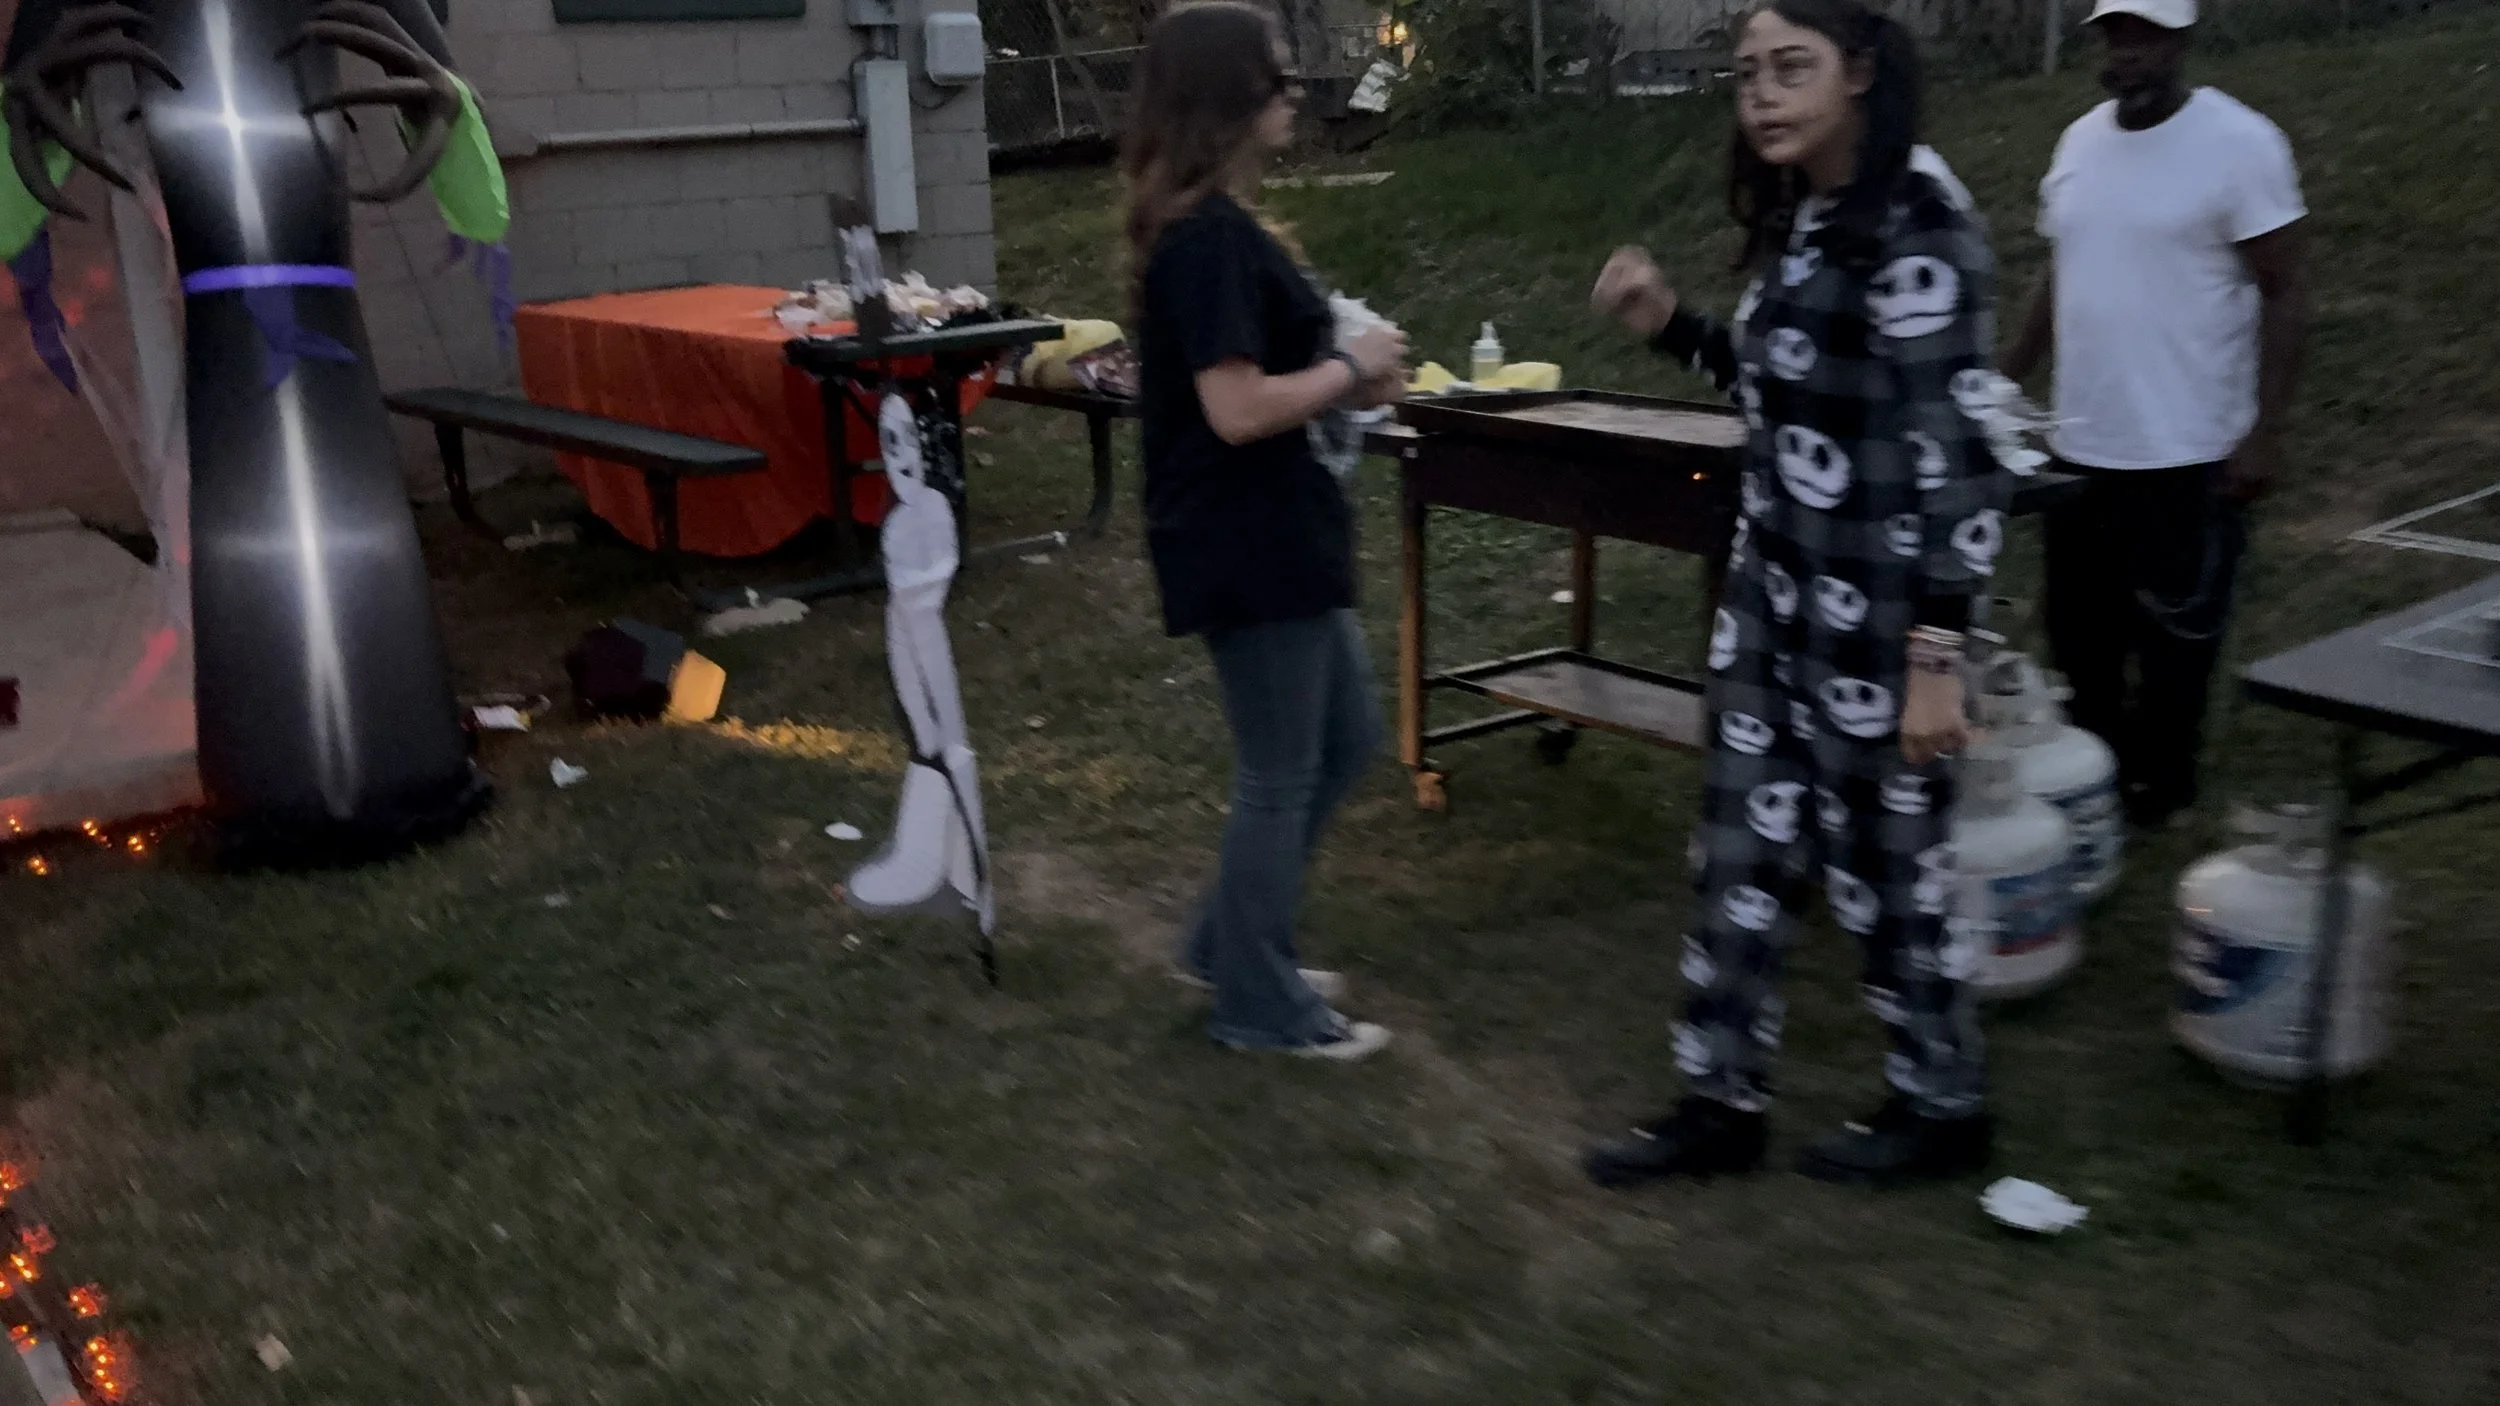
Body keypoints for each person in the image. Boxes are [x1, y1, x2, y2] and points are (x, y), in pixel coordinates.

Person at [1582, 0, 2024, 1186]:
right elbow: (1793, 388)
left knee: (1888, 869)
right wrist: (1673, 326)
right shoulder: (1813, 210)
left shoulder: (1918, 222)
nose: (1763, 95)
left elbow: (1962, 457)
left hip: (1883, 619)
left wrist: (1936, 654)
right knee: (1737, 850)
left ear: (1862, 72)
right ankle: (1719, 1102)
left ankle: (1942, 1102)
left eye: (1792, 68)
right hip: (1774, 596)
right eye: (1746, 74)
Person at [1122, 1, 1409, 1061]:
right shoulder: (1203, 242)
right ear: (1225, 98)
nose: (1293, 93)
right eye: (1277, 76)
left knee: (1344, 742)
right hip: (1245, 542)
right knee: (1282, 769)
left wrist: (1350, 372)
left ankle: (1229, 945)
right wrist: (1352, 366)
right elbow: (1235, 410)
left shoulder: (1223, 231)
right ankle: (1257, 1001)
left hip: (1283, 533)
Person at [2003, 0, 2309, 832]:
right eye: (2114, 34)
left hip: (2189, 448)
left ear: (2180, 40)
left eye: (2144, 34)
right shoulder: (2078, 144)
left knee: (2176, 643)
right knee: (2081, 639)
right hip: (2080, 445)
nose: (2126, 52)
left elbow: (2285, 292)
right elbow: (2059, 271)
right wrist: (2003, 377)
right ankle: (2090, 777)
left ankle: (2160, 788)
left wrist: (2264, 431)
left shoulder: (2240, 144)